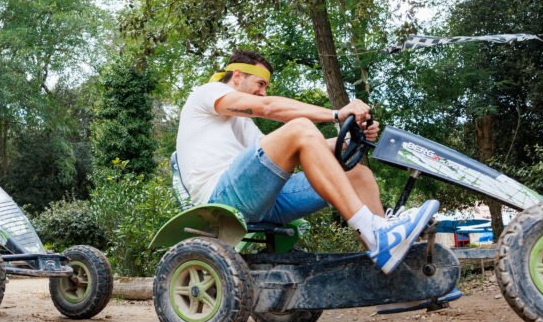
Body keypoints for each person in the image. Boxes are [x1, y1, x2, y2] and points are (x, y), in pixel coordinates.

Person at [176, 50, 439, 274]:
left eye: (266, 87)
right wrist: (336, 114)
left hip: (258, 198)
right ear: (237, 76)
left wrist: (348, 139)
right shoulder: (209, 92)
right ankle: (374, 232)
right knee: (299, 127)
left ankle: (389, 258)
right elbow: (269, 108)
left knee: (358, 175)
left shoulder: (243, 124)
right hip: (220, 197)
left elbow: (293, 148)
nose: (263, 91)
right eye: (260, 83)